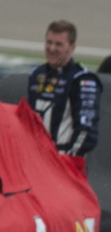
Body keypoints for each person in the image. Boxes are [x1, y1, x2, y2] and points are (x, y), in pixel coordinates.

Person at [27, 20, 100, 157]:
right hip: (35, 159)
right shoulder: (37, 74)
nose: (52, 48)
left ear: (71, 48)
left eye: (59, 44)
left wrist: (65, 157)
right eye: (49, 42)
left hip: (64, 163)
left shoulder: (82, 80)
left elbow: (87, 131)